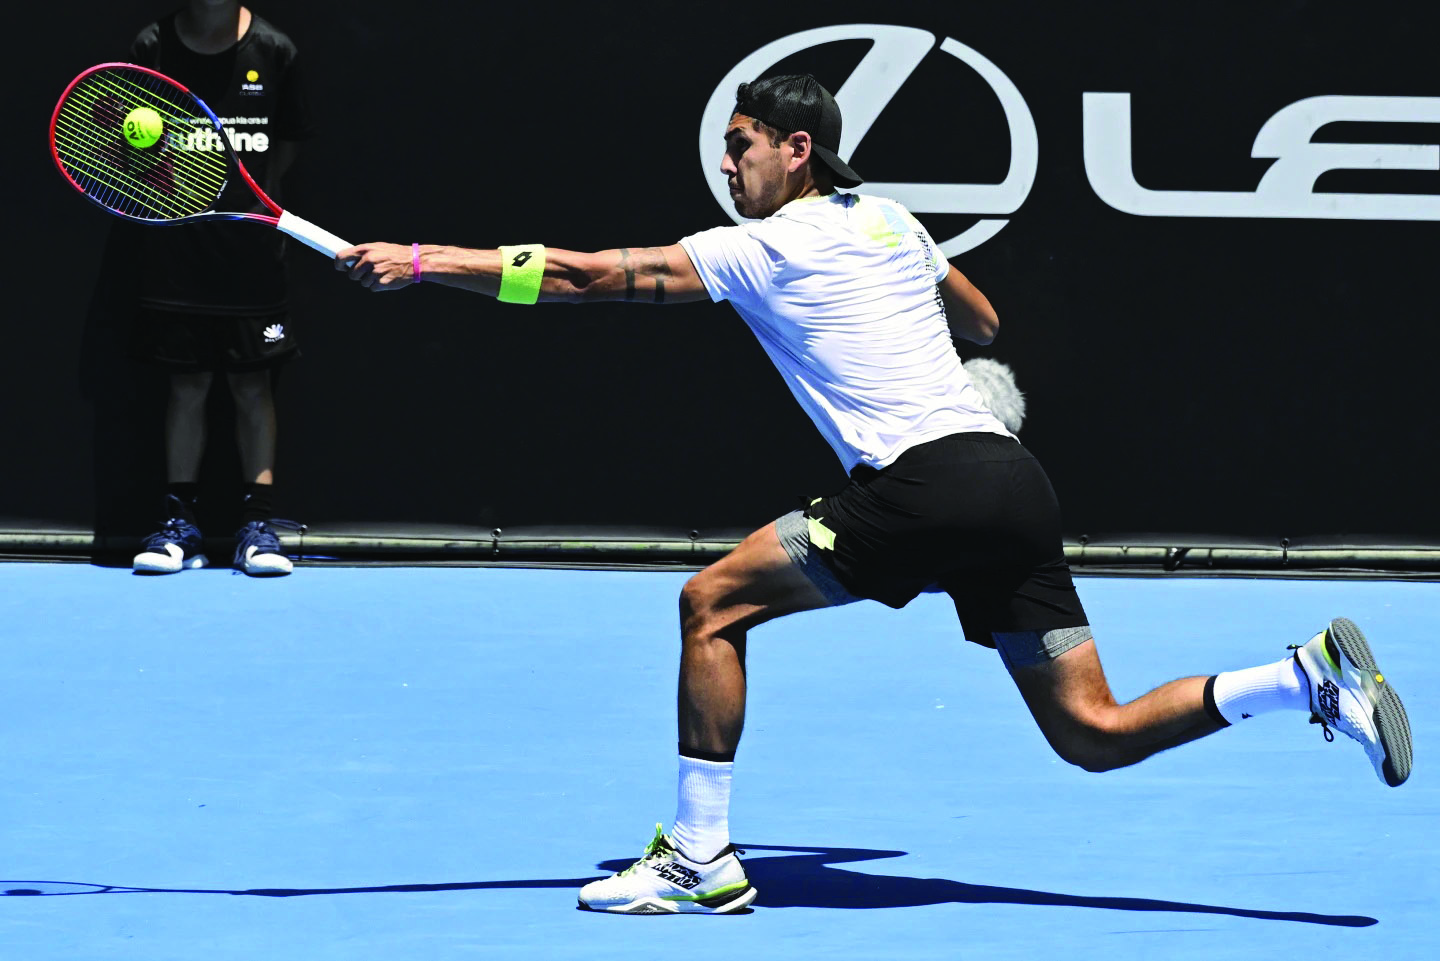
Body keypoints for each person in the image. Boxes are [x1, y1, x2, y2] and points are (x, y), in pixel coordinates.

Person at [335, 74, 1413, 914]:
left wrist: (426, 261)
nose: (727, 163)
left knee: (711, 602)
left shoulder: (760, 249)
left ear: (797, 148)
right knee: (1093, 729)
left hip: (926, 486)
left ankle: (699, 857)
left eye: (742, 144)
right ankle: (1298, 677)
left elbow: (585, 275)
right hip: (1012, 483)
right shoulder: (892, 219)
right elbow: (983, 321)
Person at [127, 0, 313, 576]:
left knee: (252, 386)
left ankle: (257, 529)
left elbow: (288, 142)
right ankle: (179, 525)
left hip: (252, 260)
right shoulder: (152, 46)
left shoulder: (275, 50)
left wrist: (254, 202)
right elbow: (128, 147)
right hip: (177, 258)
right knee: (187, 386)